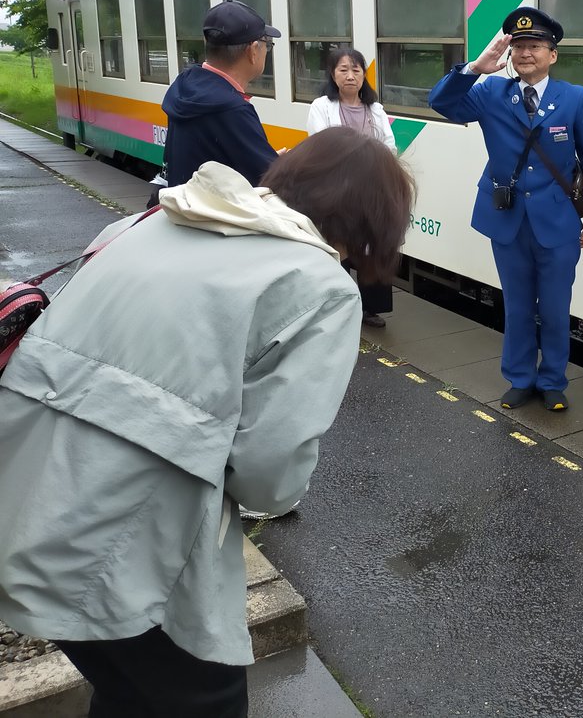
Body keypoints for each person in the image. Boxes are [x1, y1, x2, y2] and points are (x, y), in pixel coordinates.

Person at [0, 127, 415, 718]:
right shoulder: (317, 285)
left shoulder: (143, 224)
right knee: (202, 701)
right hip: (119, 540)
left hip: (19, 494)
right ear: (372, 222)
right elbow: (270, 475)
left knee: (129, 692)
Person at [428, 6, 583, 412]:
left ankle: (553, 381)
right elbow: (441, 102)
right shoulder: (491, 92)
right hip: (507, 218)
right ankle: (520, 378)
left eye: (535, 46)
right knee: (518, 304)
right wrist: (475, 69)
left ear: (552, 55)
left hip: (558, 221)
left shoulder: (573, 98)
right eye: (519, 46)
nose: (526, 53)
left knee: (556, 308)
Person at [307, 47, 397, 328]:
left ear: (363, 75)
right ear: (332, 75)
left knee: (373, 247)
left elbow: (389, 146)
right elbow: (321, 145)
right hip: (337, 191)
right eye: (343, 70)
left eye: (356, 70)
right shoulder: (321, 106)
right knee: (339, 246)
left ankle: (371, 308)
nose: (350, 76)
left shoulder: (375, 109)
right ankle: (340, 305)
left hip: (371, 191)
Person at [159, 0, 281, 192]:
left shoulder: (185, 84)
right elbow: (272, 179)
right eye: (267, 45)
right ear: (252, 51)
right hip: (213, 210)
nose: (266, 51)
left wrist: (266, 156)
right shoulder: (232, 110)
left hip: (186, 203)